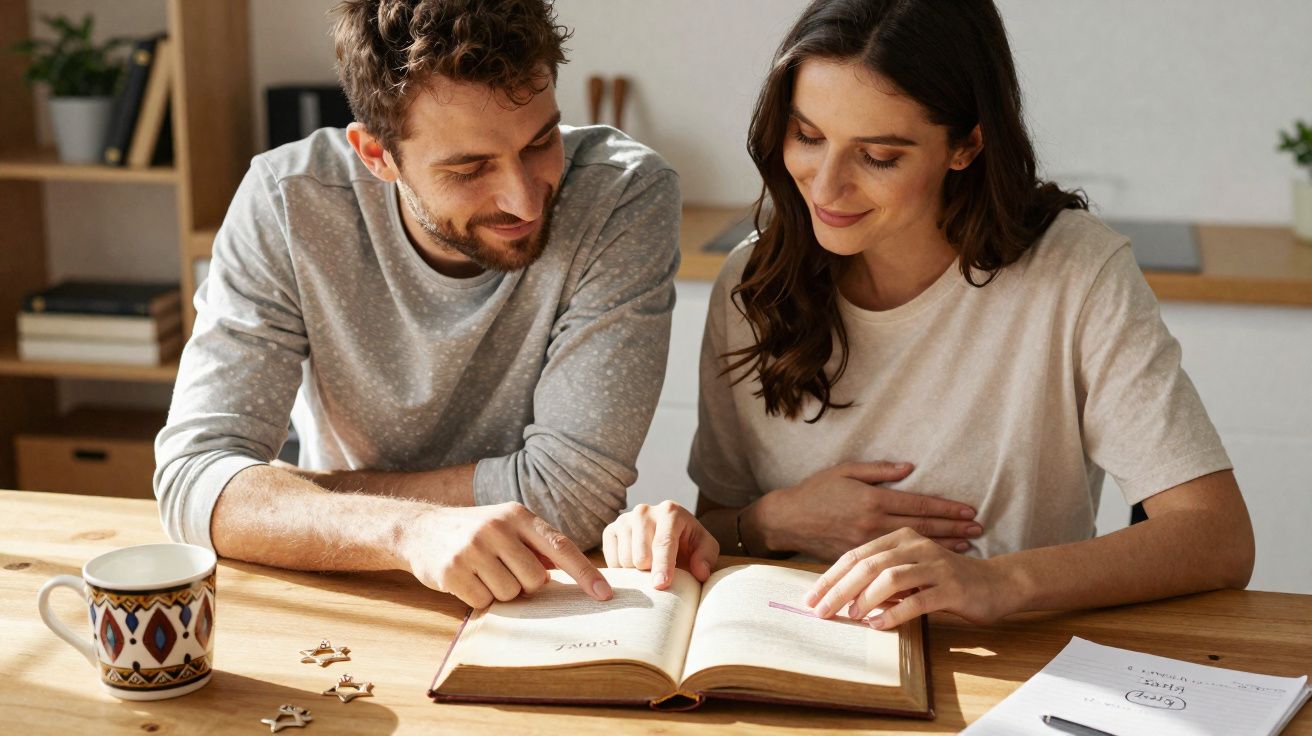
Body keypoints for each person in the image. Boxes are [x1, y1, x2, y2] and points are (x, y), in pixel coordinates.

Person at [603, 0, 1254, 631]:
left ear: (966, 144)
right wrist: (776, 520)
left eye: (877, 156)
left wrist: (999, 581)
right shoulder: (751, 282)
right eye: (807, 136)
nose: (825, 187)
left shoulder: (1076, 273)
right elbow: (721, 524)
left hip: (1007, 669)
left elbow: (1217, 536)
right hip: (797, 656)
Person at [154, 0, 682, 609]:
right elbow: (194, 483)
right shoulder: (289, 203)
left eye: (540, 143)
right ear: (376, 153)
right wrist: (407, 530)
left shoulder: (622, 196)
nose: (525, 203)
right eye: (470, 168)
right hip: (354, 587)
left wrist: (289, 497)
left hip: (543, 590)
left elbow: (570, 499)